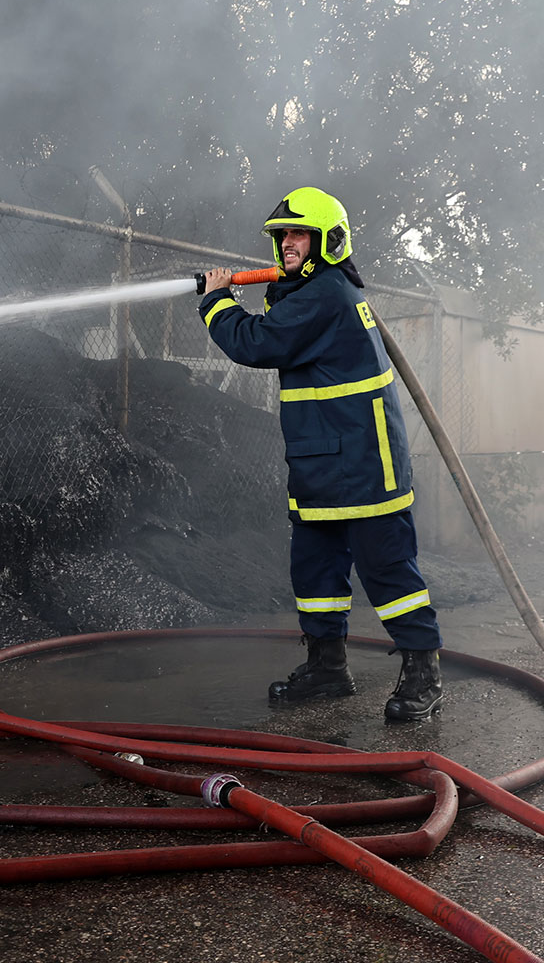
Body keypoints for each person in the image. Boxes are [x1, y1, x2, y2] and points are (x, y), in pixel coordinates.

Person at [197, 186, 444, 720]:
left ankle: (423, 673)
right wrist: (278, 288)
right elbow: (284, 323)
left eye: (299, 234)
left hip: (362, 459)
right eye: (282, 235)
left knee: (387, 571)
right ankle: (328, 668)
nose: (287, 243)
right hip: (320, 459)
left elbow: (256, 343)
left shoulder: (328, 293)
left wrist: (217, 300)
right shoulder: (313, 293)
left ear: (328, 241)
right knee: (315, 571)